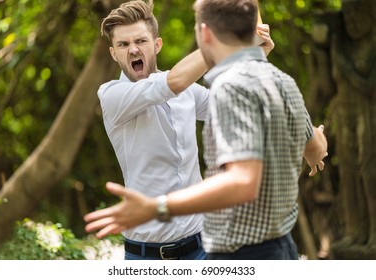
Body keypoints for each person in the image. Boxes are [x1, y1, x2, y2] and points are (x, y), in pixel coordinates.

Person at [85, 0, 328, 260]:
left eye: (141, 41)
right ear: (113, 53)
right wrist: (235, 39)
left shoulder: (188, 90)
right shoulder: (112, 95)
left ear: (157, 45)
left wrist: (251, 55)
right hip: (146, 256)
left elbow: (235, 102)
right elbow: (173, 82)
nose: (133, 49)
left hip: (202, 248)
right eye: (123, 44)